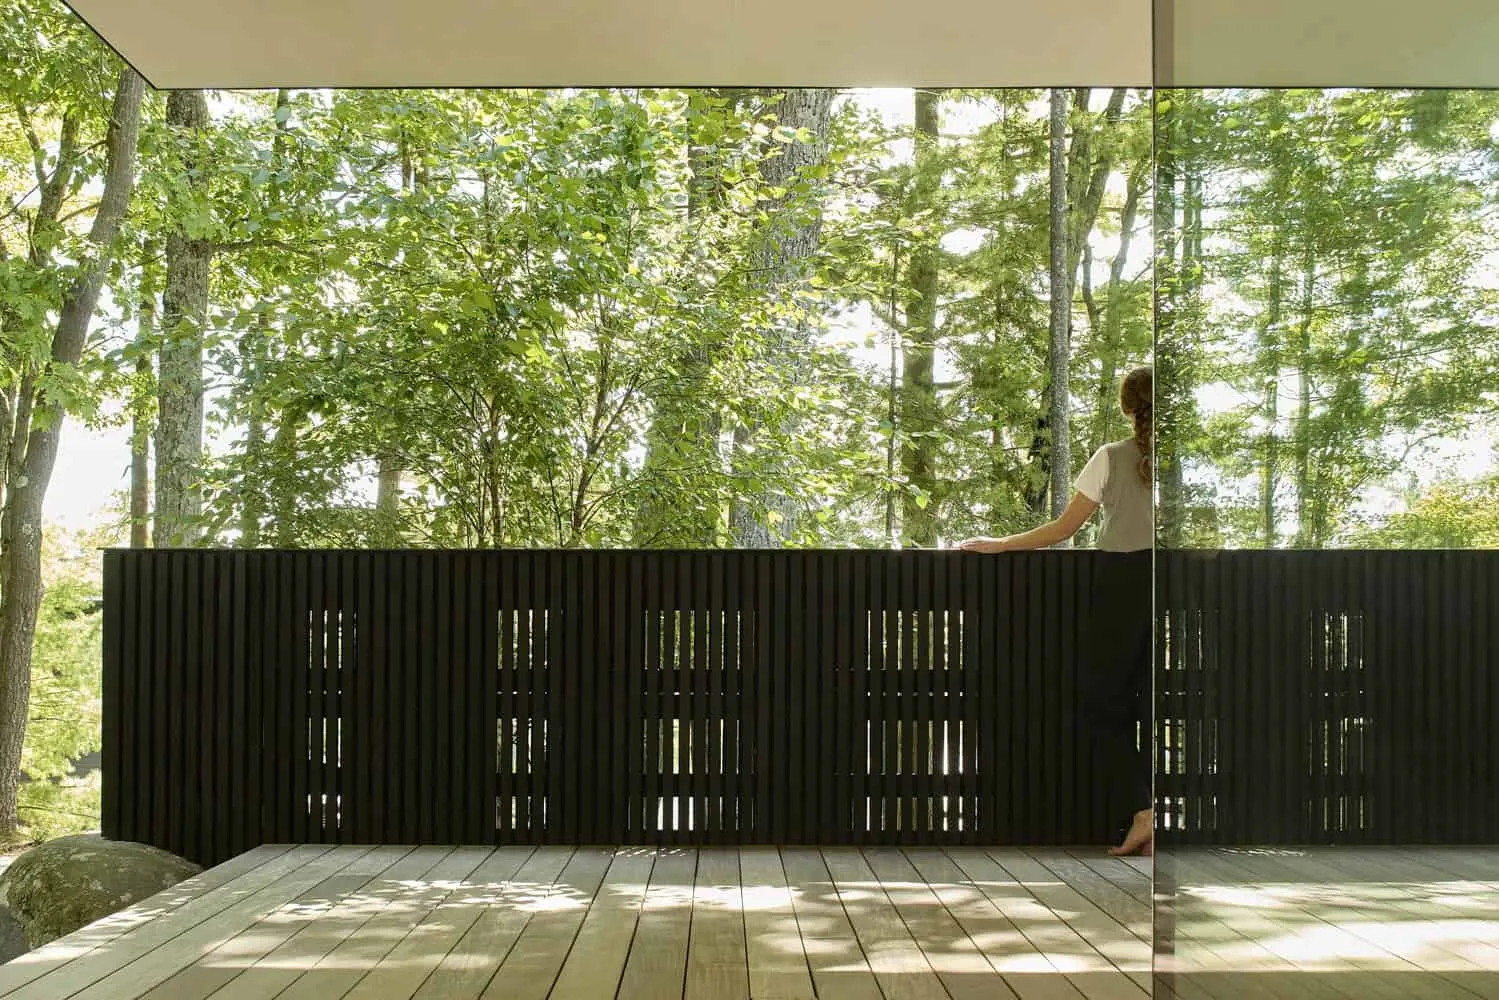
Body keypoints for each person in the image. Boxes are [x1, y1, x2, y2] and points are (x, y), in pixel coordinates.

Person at [959, 366, 1154, 857]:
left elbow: (1064, 529)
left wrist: (1001, 543)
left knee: (1101, 698)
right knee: (1148, 699)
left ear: (1129, 407)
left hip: (1122, 583)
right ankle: (1152, 815)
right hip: (1173, 583)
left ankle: (1145, 811)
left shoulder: (1111, 457)